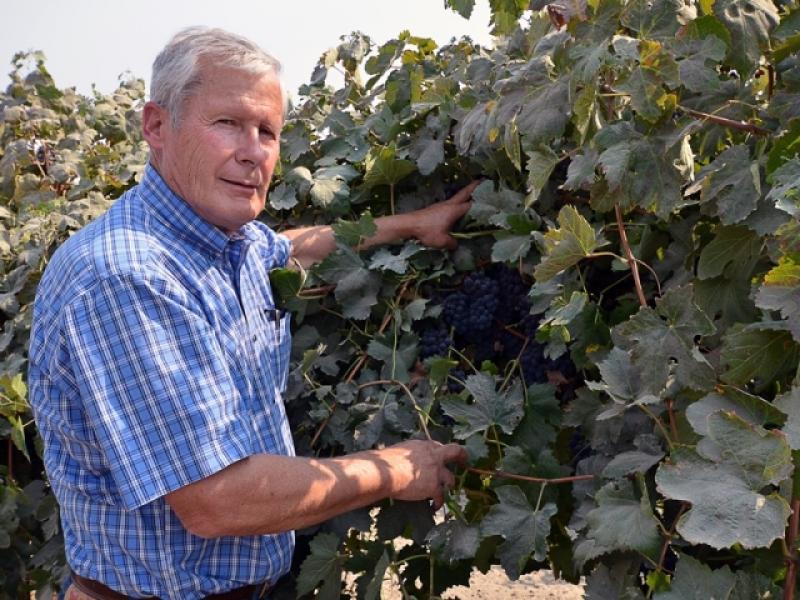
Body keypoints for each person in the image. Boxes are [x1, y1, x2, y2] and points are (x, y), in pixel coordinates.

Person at [28, 27, 474, 600]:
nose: (253, 151)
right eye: (228, 123)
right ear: (156, 126)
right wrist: (395, 469)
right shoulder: (128, 276)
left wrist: (411, 225)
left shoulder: (227, 242)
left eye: (267, 131)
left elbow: (293, 246)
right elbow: (217, 499)